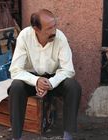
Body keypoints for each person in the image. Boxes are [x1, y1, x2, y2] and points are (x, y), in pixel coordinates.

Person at [8, 9, 82, 140]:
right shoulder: (24, 36)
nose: (54, 30)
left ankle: (68, 136)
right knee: (16, 86)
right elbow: (15, 70)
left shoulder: (60, 37)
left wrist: (51, 83)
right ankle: (16, 137)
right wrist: (36, 81)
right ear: (36, 29)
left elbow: (68, 70)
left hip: (54, 79)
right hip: (31, 79)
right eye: (49, 28)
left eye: (55, 25)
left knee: (73, 86)